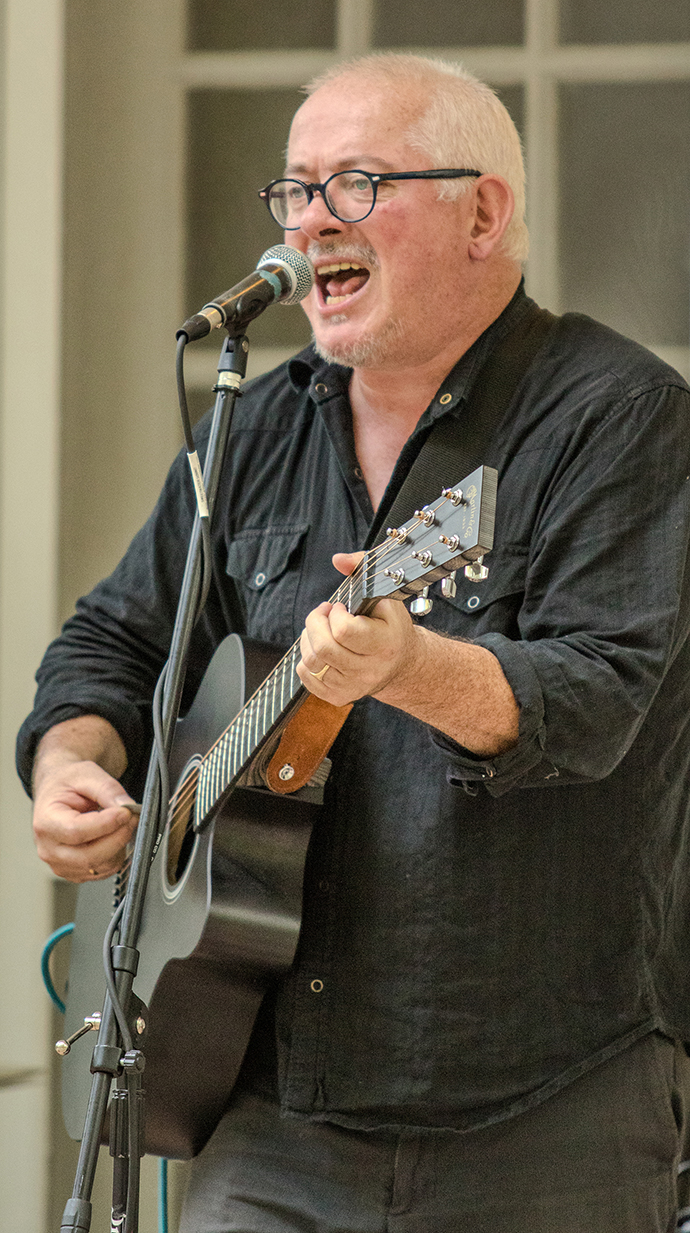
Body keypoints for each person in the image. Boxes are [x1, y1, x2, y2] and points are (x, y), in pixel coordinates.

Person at [17, 53, 690, 1233]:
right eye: (294, 189)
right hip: (267, 1093)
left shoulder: (617, 417)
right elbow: (115, 640)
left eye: (358, 183)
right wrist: (75, 762)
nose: (310, 220)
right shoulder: (259, 421)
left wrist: (408, 667)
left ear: (482, 212)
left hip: (543, 1106)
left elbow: (598, 701)